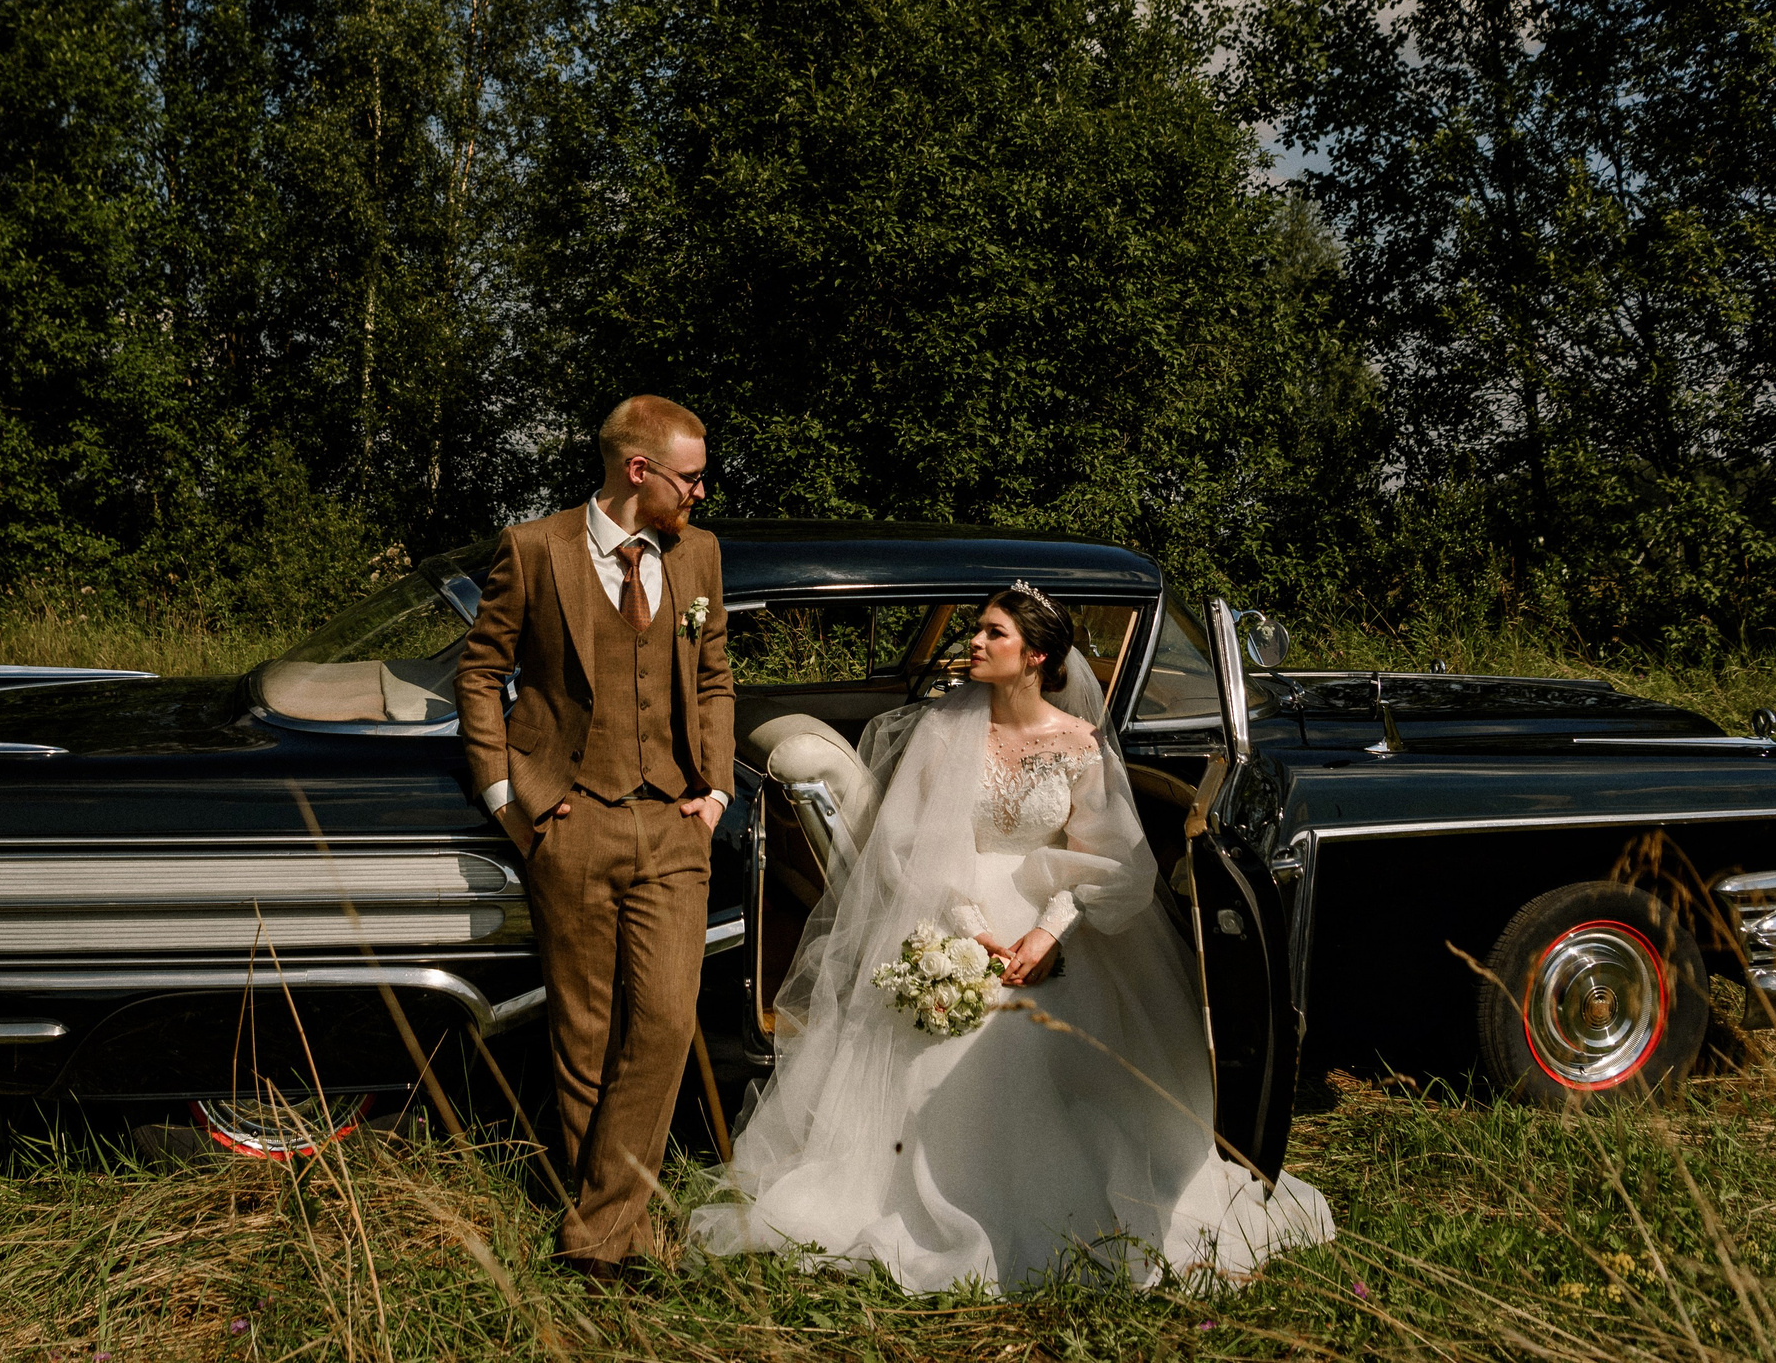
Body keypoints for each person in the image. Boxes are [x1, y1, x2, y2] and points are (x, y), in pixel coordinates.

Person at [687, 585, 1334, 1293]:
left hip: (1052, 916)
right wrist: (971, 935)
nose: (974, 642)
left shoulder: (1078, 742)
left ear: (1036, 655)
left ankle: (1075, 1208)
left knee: (1059, 1038)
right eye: (976, 629)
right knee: (958, 1038)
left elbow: (1112, 856)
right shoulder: (943, 728)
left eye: (992, 633)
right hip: (953, 907)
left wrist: (1049, 930)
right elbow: (909, 845)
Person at [454, 394, 736, 1281]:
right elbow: (481, 672)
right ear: (638, 470)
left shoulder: (701, 554)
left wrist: (718, 787)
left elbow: (717, 669)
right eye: (691, 476)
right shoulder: (535, 549)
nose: (702, 491)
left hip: (675, 820)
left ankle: (594, 1231)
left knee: (662, 1018)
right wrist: (511, 799)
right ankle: (614, 1237)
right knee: (583, 1031)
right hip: (568, 817)